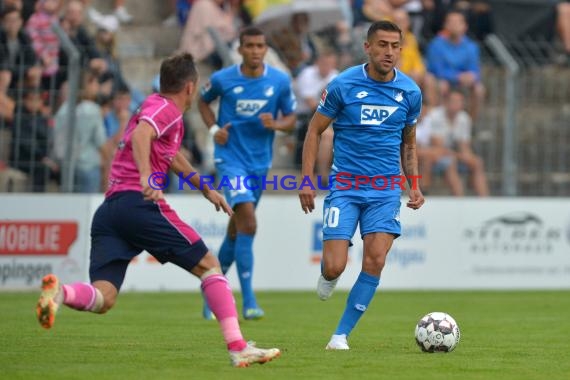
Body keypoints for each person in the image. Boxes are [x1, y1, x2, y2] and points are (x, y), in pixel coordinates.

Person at [35, 52, 281, 368]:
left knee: (104, 297)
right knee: (209, 266)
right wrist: (143, 177)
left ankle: (61, 295)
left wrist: (205, 188)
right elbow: (141, 134)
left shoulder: (158, 110)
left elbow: (170, 154)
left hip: (111, 211)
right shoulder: (165, 108)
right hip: (139, 202)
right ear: (190, 88)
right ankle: (238, 347)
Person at [298, 20, 425, 350]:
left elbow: (408, 143)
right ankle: (329, 275)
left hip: (384, 191)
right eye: (382, 45)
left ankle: (340, 335)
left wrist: (414, 184)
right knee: (334, 264)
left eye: (395, 46)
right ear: (367, 47)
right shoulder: (342, 85)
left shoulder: (410, 92)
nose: (390, 52)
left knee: (375, 260)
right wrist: (307, 178)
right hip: (345, 187)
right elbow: (314, 131)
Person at [198, 26, 297, 320]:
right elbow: (202, 102)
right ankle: (249, 301)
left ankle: (210, 293)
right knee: (249, 224)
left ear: (266, 49)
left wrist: (277, 125)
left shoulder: (279, 81)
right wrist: (215, 130)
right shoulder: (223, 79)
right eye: (250, 46)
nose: (255, 51)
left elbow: (291, 119)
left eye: (260, 46)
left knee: (236, 230)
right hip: (231, 160)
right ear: (239, 49)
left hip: (260, 163)